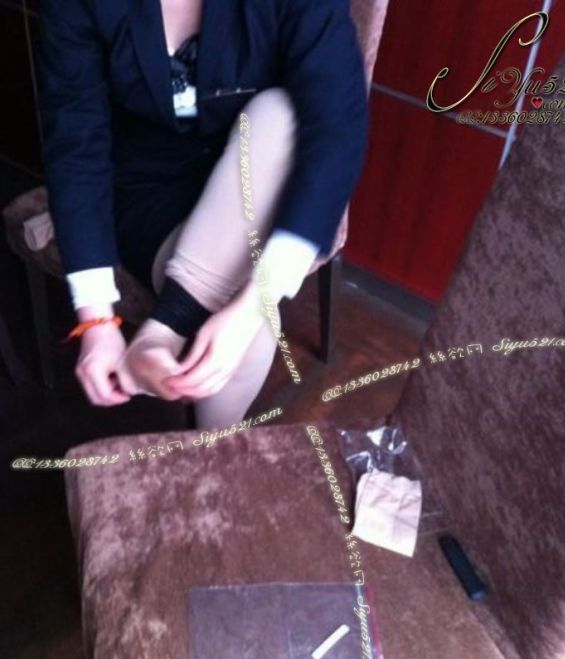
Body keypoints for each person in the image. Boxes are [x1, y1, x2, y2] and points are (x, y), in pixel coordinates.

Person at [37, 0, 369, 427]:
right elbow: (76, 146)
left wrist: (256, 301)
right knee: (246, 336)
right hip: (149, 192)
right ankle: (211, 452)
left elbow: (337, 128)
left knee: (281, 113)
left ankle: (164, 332)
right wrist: (96, 320)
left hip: (262, 175)